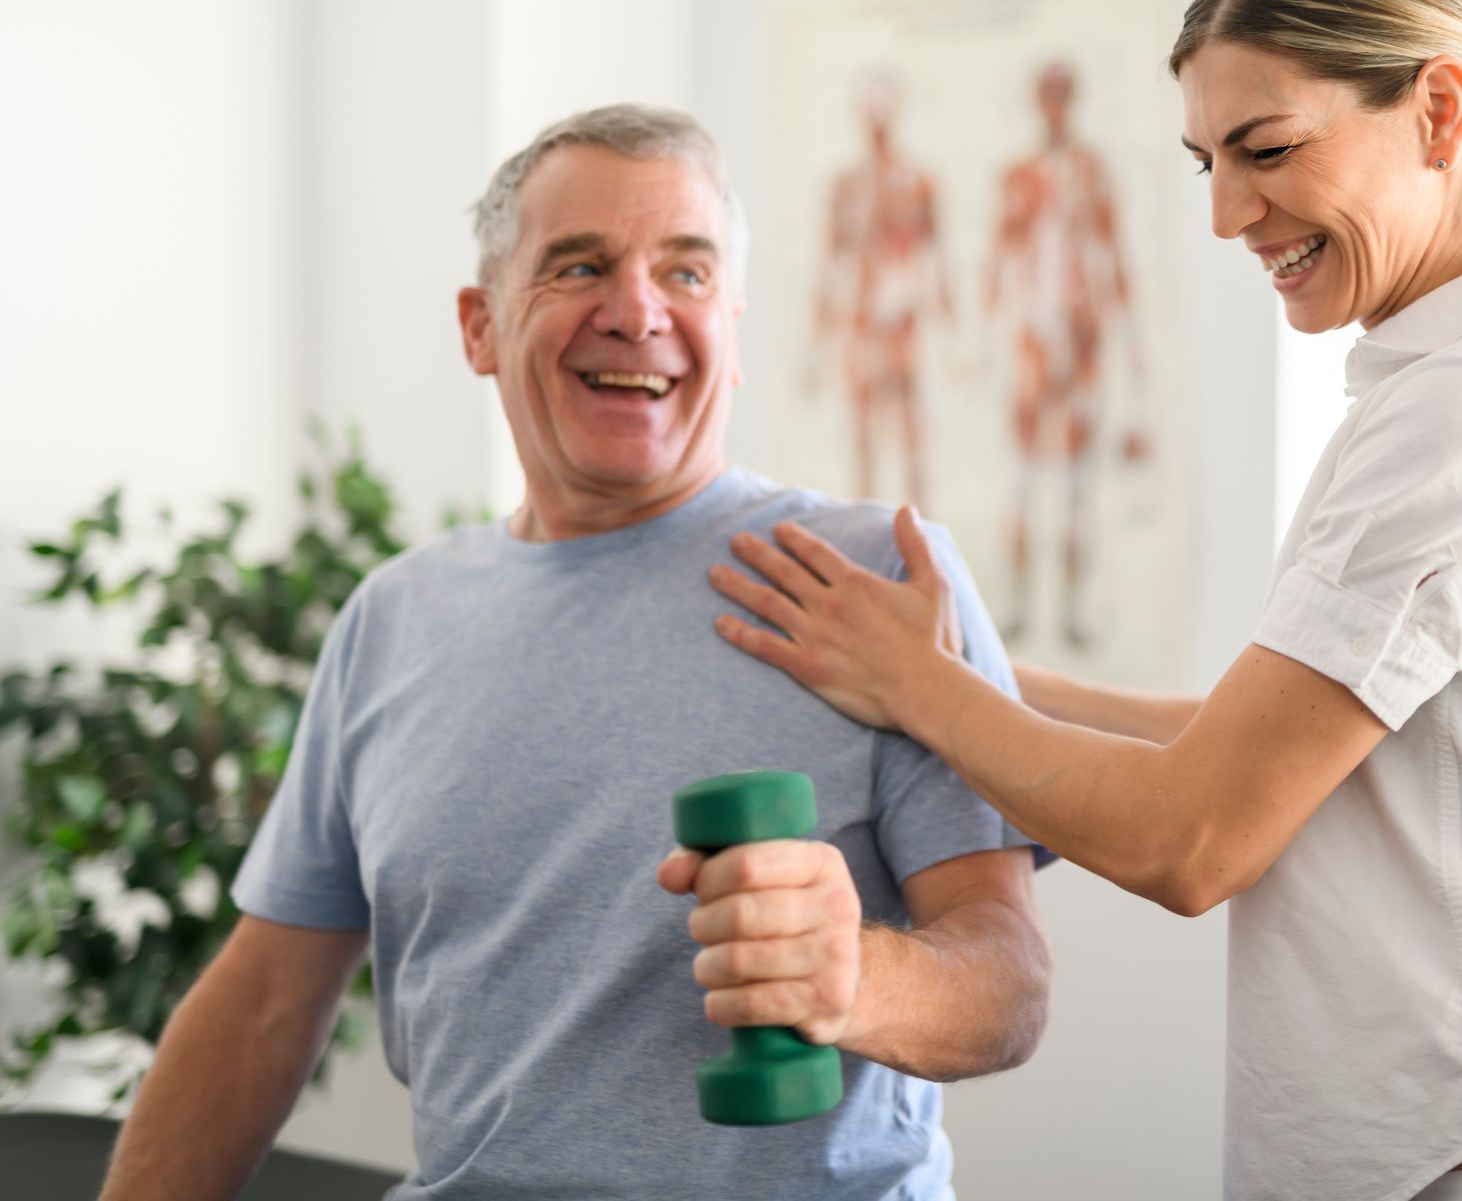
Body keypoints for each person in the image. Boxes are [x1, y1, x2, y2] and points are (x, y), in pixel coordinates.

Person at [705, 0, 1462, 1199]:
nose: (1230, 212)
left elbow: (1196, 834)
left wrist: (925, 691)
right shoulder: (1450, 388)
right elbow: (1292, 754)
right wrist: (980, 669)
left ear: (1440, 108)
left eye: (1269, 149)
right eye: (1206, 161)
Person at [97, 105, 1049, 1201]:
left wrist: (858, 978)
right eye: (580, 264)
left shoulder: (878, 575)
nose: (638, 310)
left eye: (686, 273)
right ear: (479, 328)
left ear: (730, 327)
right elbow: (265, 996)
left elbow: (1008, 984)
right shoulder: (392, 618)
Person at [983, 60, 1148, 649]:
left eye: (1062, 96)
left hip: (1082, 339)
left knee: (1079, 480)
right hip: (1032, 339)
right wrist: (983, 341)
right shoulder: (1019, 176)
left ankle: (1074, 610)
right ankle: (1020, 607)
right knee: (1024, 478)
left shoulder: (1092, 172)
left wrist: (1132, 348)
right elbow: (999, 257)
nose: (1054, 106)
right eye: (1045, 95)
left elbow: (1115, 255)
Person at [810, 71, 953, 506]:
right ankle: (867, 523)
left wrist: (953, 336)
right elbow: (830, 264)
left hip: (901, 317)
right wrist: (816, 342)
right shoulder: (846, 185)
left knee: (910, 425)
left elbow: (936, 258)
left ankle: (920, 525)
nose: (877, 119)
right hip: (861, 318)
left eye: (884, 108)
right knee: (863, 430)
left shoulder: (917, 181)